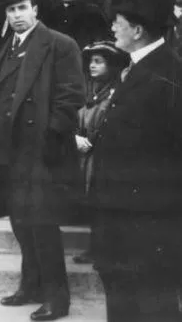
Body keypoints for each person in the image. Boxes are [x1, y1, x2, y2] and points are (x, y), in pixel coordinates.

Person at [0, 0, 84, 322]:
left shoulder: (59, 45)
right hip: (6, 150)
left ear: (35, 9)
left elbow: (72, 96)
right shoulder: (9, 46)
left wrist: (50, 137)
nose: (17, 15)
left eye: (22, 8)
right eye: (11, 9)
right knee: (20, 222)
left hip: (40, 152)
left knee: (42, 225)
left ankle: (57, 299)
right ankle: (31, 286)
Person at [91, 0, 182, 322]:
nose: (113, 27)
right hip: (123, 220)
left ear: (139, 30)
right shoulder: (140, 67)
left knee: (152, 307)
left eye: (119, 21)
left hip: (146, 227)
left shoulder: (166, 73)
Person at [71, 41, 127, 267]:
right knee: (92, 202)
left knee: (104, 201)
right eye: (91, 62)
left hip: (104, 154)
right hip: (84, 153)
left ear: (111, 66)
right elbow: (75, 115)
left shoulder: (118, 91)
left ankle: (104, 250)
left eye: (99, 62)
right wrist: (74, 137)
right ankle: (95, 248)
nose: (92, 66)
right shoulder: (87, 89)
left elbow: (113, 124)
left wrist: (94, 141)